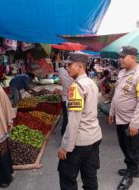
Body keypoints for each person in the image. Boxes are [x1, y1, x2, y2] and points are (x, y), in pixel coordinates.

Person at [57, 52, 102, 190]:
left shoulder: (77, 87)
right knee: (90, 177)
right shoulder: (91, 83)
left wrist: (65, 146)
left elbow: (74, 121)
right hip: (94, 137)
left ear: (80, 67)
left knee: (67, 178)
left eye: (70, 65)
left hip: (79, 142)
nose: (67, 68)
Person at [109, 46, 139, 190]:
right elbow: (117, 94)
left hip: (132, 121)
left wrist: (135, 123)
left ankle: (130, 176)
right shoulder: (122, 73)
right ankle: (134, 170)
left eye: (123, 57)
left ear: (133, 57)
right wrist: (111, 111)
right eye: (120, 57)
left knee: (132, 150)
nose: (120, 60)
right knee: (124, 146)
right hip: (121, 119)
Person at [57, 62, 73, 136]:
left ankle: (64, 135)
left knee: (66, 119)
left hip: (66, 98)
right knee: (70, 119)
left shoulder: (60, 70)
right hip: (70, 98)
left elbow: (60, 82)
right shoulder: (74, 74)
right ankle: (66, 136)